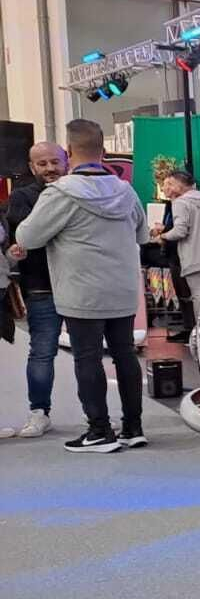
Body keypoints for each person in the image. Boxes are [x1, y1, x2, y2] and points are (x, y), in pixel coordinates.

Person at [14, 119, 148, 453]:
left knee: (87, 357)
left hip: (82, 291)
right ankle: (133, 427)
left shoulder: (60, 192)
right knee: (125, 355)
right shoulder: (126, 190)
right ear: (103, 151)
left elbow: (27, 236)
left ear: (69, 152)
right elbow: (142, 236)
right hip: (122, 289)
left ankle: (99, 431)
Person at [2, 143, 69, 439]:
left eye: (55, 161)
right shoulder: (21, 197)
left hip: (83, 286)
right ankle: (39, 412)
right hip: (41, 287)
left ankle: (98, 416)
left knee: (89, 353)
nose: (49, 168)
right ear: (32, 168)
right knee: (42, 352)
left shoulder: (80, 193)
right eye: (42, 164)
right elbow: (23, 237)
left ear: (66, 161)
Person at [151, 169, 200, 342]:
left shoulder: (181, 203)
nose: (164, 189)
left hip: (194, 257)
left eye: (167, 184)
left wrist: (161, 236)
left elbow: (180, 231)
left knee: (198, 296)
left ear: (176, 185)